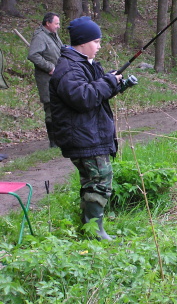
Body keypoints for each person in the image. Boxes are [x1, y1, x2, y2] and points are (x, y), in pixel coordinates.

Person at [49, 16, 125, 241]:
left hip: (90, 133)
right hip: (83, 136)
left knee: (94, 180)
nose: (99, 46)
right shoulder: (70, 67)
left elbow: (96, 92)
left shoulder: (84, 64)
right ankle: (95, 232)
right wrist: (108, 82)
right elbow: (83, 97)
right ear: (83, 42)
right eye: (97, 41)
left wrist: (117, 84)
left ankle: (89, 227)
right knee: (100, 180)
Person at [27, 12, 63, 147]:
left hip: (57, 78)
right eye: (56, 23)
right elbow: (33, 55)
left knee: (58, 107)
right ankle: (54, 142)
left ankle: (60, 139)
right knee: (50, 108)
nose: (58, 26)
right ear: (48, 23)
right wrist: (49, 67)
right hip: (46, 79)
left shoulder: (52, 35)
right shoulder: (40, 37)